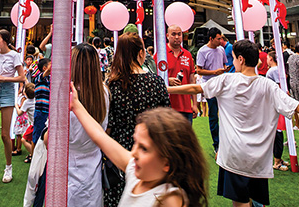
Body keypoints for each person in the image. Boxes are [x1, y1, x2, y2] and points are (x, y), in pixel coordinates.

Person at [170, 39, 299, 207]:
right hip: (258, 159)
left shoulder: (226, 81)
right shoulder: (268, 86)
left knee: (240, 203)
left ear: (240, 59)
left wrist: (167, 89)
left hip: (233, 157)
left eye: (233, 59)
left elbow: (195, 89)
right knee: (252, 200)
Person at [72, 96, 207, 207]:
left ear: (167, 163)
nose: (134, 153)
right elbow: (100, 136)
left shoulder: (169, 198)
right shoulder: (137, 174)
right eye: (135, 142)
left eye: (144, 148)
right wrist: (76, 105)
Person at [104, 33, 171, 207]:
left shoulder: (113, 84)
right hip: (151, 152)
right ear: (141, 53)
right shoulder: (156, 82)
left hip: (118, 153)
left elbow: (109, 125)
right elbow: (167, 120)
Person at [68, 43, 111, 206]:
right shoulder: (103, 92)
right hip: (91, 166)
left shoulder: (66, 94)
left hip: (72, 163)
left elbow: (50, 138)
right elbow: (104, 128)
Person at [0, 29, 25, 183]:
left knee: (5, 134)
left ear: (5, 41)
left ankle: (8, 167)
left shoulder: (14, 55)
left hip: (8, 93)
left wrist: (5, 79)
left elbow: (22, 77)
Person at [195, 27, 227, 153]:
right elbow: (199, 70)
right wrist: (215, 71)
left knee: (225, 113)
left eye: (221, 38)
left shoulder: (221, 50)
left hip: (222, 85)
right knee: (213, 114)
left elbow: (224, 63)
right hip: (209, 85)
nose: (220, 41)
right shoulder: (203, 51)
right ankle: (217, 144)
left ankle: (225, 141)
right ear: (211, 38)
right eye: (218, 38)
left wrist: (224, 69)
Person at [165, 25, 196, 123]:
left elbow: (192, 80)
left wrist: (194, 104)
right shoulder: (161, 53)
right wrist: (168, 80)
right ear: (167, 36)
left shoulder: (187, 55)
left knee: (186, 138)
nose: (177, 37)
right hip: (167, 108)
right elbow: (154, 77)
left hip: (186, 107)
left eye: (179, 34)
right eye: (173, 34)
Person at [30, 57, 51, 145]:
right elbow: (47, 72)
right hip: (41, 112)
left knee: (47, 135)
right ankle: (33, 156)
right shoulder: (39, 77)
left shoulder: (50, 79)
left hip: (48, 111)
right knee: (37, 136)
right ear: (44, 68)